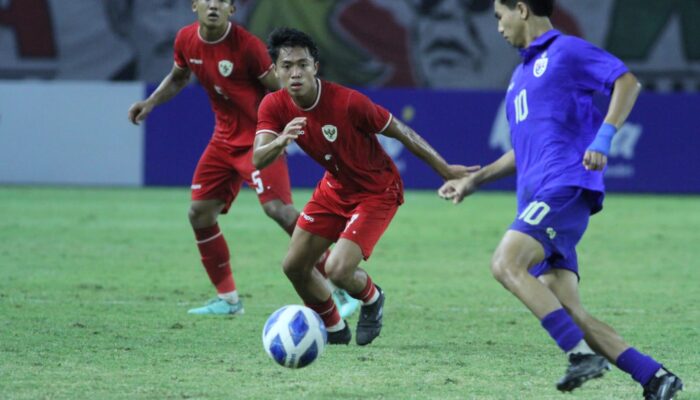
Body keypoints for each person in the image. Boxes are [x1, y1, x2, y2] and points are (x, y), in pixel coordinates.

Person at [438, 1, 683, 399]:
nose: (498, 27)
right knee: (569, 310)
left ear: (521, 8)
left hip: (565, 188)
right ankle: (655, 377)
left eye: (500, 16)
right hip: (539, 197)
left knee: (505, 262)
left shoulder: (566, 51)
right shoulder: (519, 76)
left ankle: (579, 356)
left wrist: (604, 136)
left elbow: (627, 82)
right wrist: (474, 180)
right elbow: (523, 149)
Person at [127, 0, 359, 317]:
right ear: (194, 5)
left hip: (257, 139)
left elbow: (281, 89)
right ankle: (229, 300)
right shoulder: (185, 39)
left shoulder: (247, 47)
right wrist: (151, 102)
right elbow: (180, 76)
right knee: (199, 213)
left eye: (223, 1)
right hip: (222, 141)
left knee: (279, 210)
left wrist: (284, 132)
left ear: (231, 10)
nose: (214, 5)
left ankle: (341, 285)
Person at [253, 27, 477, 345]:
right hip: (335, 187)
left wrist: (444, 169)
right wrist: (280, 140)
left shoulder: (347, 102)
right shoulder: (273, 106)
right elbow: (258, 158)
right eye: (286, 66)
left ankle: (372, 298)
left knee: (338, 270)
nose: (295, 73)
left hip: (377, 191)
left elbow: (399, 130)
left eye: (303, 64)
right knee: (294, 266)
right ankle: (333, 328)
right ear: (275, 71)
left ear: (316, 67)